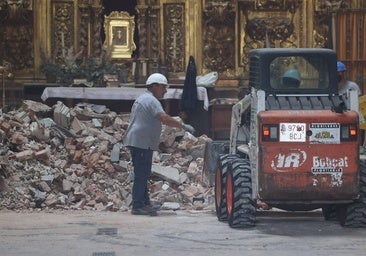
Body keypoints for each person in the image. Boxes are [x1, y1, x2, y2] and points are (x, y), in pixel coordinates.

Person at [124, 73, 195, 216]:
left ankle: (144, 203)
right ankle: (138, 205)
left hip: (140, 140)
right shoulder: (151, 100)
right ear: (154, 86)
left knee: (143, 172)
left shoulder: (145, 98)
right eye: (163, 87)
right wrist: (182, 125)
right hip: (141, 141)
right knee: (141, 174)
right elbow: (164, 118)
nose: (165, 91)